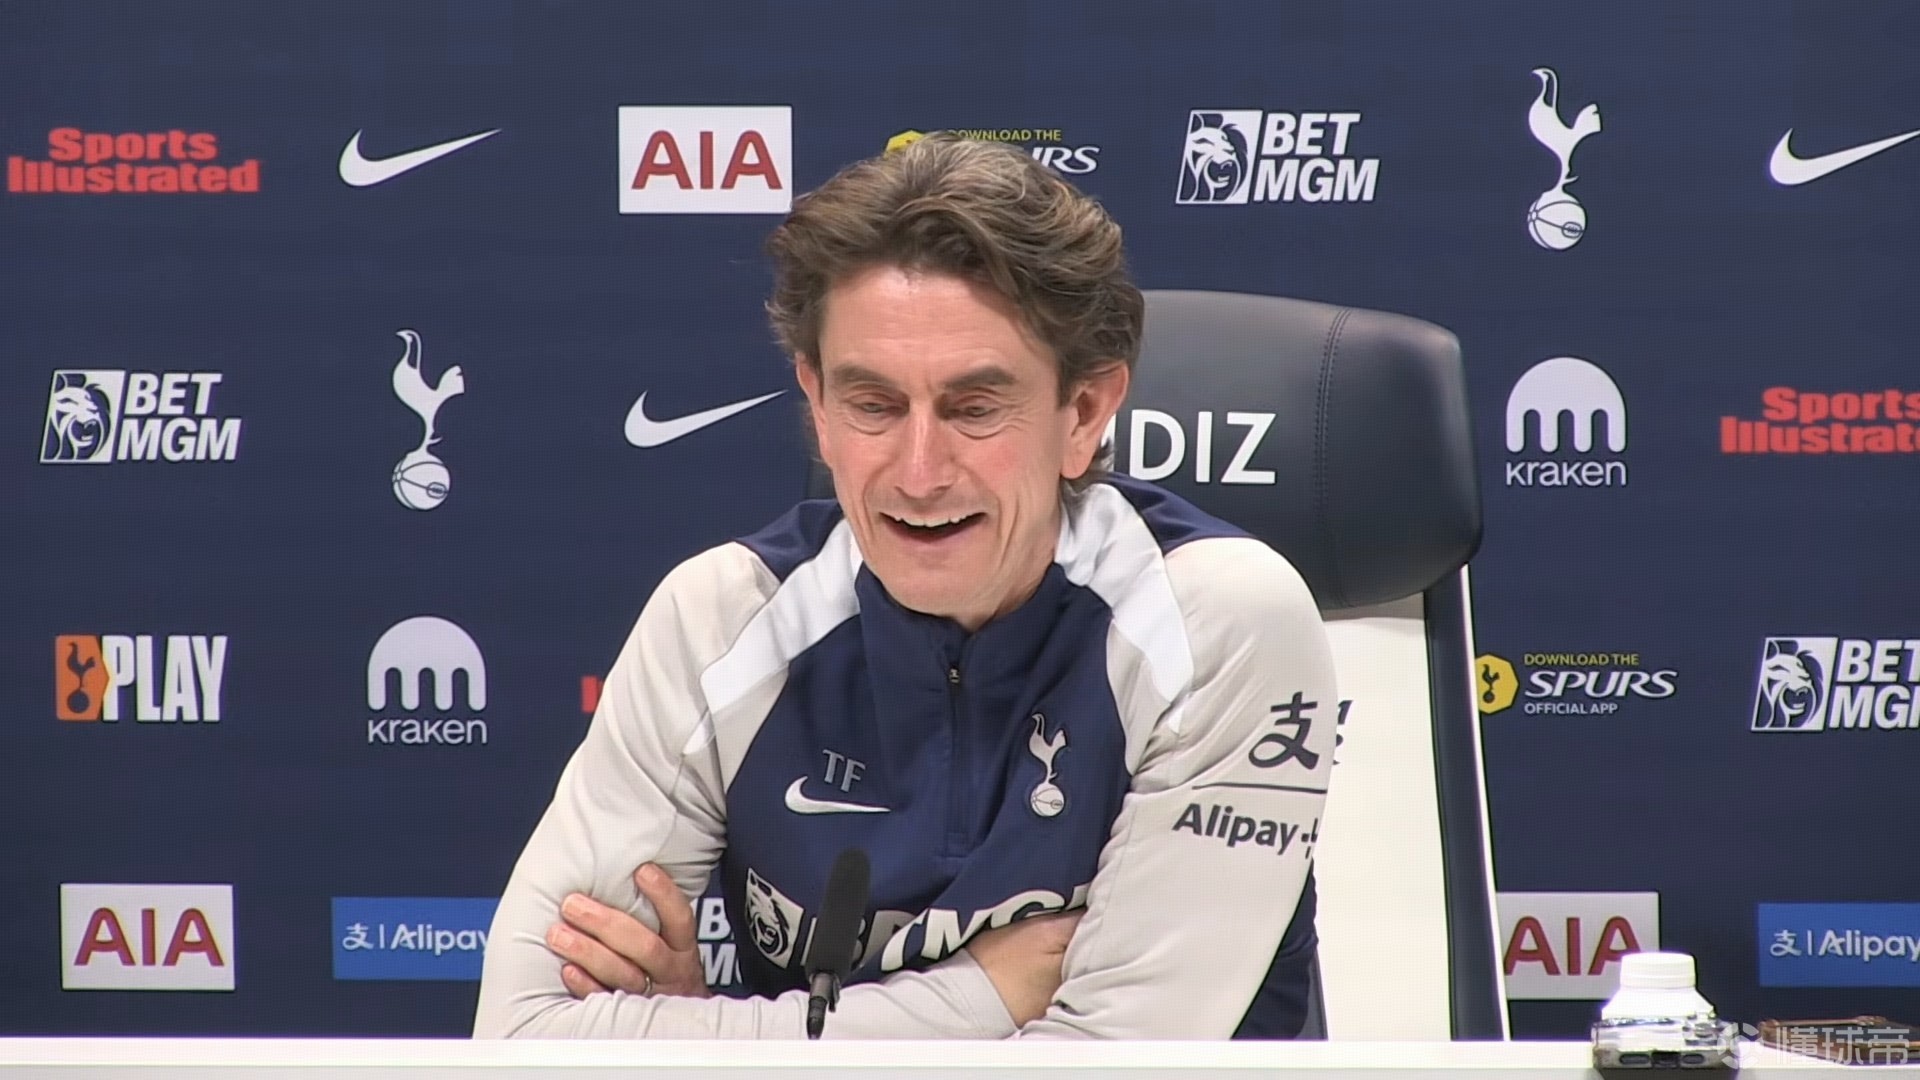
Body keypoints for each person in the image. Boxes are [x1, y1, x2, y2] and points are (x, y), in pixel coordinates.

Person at [472, 134, 1338, 1040]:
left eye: (975, 408)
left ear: (1083, 413)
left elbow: (1107, 1064)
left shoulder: (1217, 621)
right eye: (874, 405)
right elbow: (523, 1039)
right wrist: (984, 995)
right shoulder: (720, 620)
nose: (920, 473)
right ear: (817, 407)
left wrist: (704, 1050)